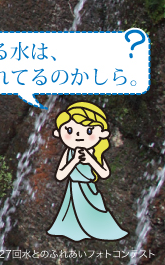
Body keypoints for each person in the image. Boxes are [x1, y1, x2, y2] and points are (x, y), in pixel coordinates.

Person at [47, 101, 128, 241]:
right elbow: (60, 175)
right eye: (70, 131)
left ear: (101, 134)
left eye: (89, 131)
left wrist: (90, 160)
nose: (78, 135)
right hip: (73, 188)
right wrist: (74, 161)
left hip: (88, 190)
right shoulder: (69, 152)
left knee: (94, 216)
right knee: (71, 220)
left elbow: (104, 173)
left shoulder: (96, 153)